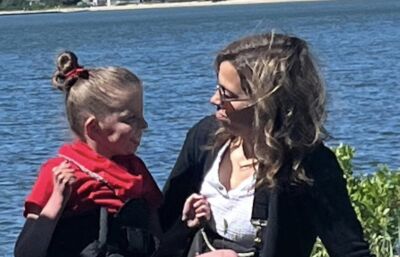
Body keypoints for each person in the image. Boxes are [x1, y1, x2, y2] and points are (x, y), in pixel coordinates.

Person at [157, 33, 373, 257]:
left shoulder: (309, 165)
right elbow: (162, 228)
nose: (214, 100)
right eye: (217, 87)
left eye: (226, 94)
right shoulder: (204, 138)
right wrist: (185, 226)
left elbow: (351, 251)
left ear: (266, 103)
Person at [14, 51, 162, 257]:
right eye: (131, 119)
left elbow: (158, 235)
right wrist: (58, 199)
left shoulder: (136, 169)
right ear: (93, 128)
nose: (144, 125)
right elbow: (25, 252)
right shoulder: (59, 172)